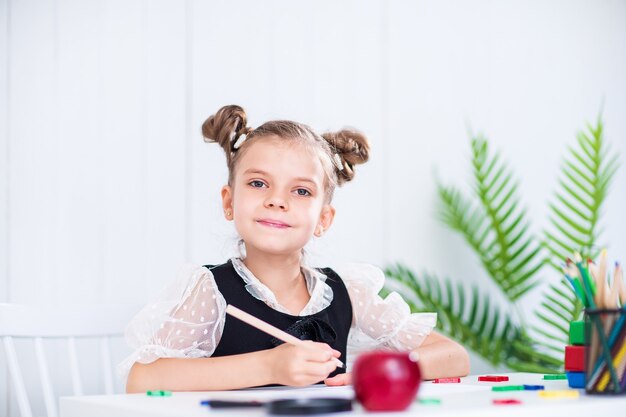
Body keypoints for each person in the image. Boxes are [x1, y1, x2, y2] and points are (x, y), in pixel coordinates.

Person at [121, 105, 470, 392]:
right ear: (229, 202)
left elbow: (453, 357)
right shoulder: (212, 290)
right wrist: (269, 366)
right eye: (259, 184)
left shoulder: (346, 291)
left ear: (323, 219)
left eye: (300, 191)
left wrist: (376, 371)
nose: (276, 201)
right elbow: (142, 379)